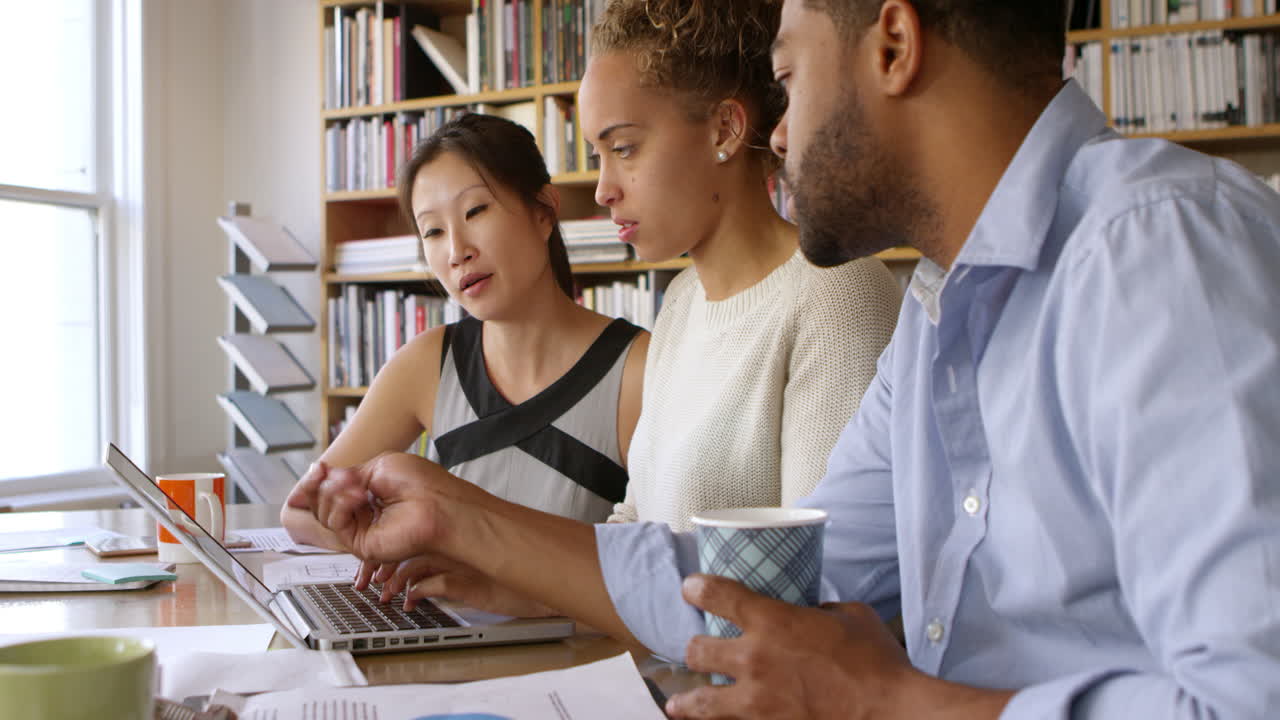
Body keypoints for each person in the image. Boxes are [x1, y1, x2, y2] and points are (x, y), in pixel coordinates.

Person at [300, 0, 1280, 717]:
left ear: (891, 47)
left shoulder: (1156, 251)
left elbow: (1250, 700)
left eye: (789, 76)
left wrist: (885, 702)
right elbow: (774, 580)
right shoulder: (938, 312)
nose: (776, 128)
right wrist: (465, 525)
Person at [304, 0, 901, 611]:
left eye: (625, 148)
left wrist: (464, 522)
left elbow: (819, 601)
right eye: (597, 155)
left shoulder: (835, 294)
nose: (602, 189)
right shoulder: (682, 305)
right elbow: (636, 533)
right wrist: (503, 587)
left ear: (724, 130)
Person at [282, 112, 650, 550]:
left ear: (544, 211)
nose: (457, 251)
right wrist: (389, 542)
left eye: (475, 211)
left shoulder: (638, 369)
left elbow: (661, 557)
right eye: (433, 231)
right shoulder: (428, 363)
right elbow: (301, 511)